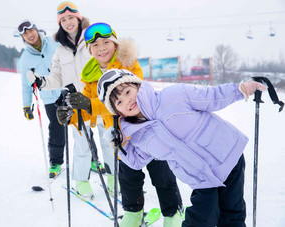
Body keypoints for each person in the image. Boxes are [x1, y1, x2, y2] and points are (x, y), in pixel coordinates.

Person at [97, 68, 267, 226]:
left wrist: (241, 89)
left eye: (127, 92)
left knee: (232, 213)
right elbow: (136, 162)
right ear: (118, 112)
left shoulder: (174, 95)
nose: (127, 101)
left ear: (138, 86)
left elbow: (212, 96)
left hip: (227, 155)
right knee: (202, 218)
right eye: (119, 102)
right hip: (200, 177)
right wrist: (121, 146)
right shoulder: (137, 136)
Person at [56, 22, 183, 227]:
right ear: (90, 51)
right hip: (120, 138)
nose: (101, 48)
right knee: (128, 180)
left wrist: (90, 105)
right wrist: (70, 115)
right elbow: (87, 111)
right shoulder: (90, 76)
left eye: (106, 42)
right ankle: (133, 213)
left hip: (147, 131)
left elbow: (125, 102)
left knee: (162, 176)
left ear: (115, 44)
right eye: (95, 45)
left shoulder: (128, 64)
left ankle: (173, 213)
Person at [25, 2, 113, 199]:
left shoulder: (92, 39)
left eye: (70, 18)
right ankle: (81, 182)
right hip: (76, 103)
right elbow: (57, 77)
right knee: (81, 144)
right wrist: (41, 81)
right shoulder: (60, 49)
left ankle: (113, 179)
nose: (67, 22)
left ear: (78, 18)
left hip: (98, 100)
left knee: (108, 141)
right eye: (63, 20)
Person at [18, 19, 64, 178]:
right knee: (56, 129)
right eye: (25, 34)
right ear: (22, 37)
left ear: (36, 30)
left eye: (31, 30)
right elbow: (26, 84)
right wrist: (26, 105)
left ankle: (92, 159)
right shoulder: (25, 59)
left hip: (67, 91)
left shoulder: (54, 43)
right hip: (49, 98)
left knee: (80, 125)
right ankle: (56, 163)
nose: (29, 35)